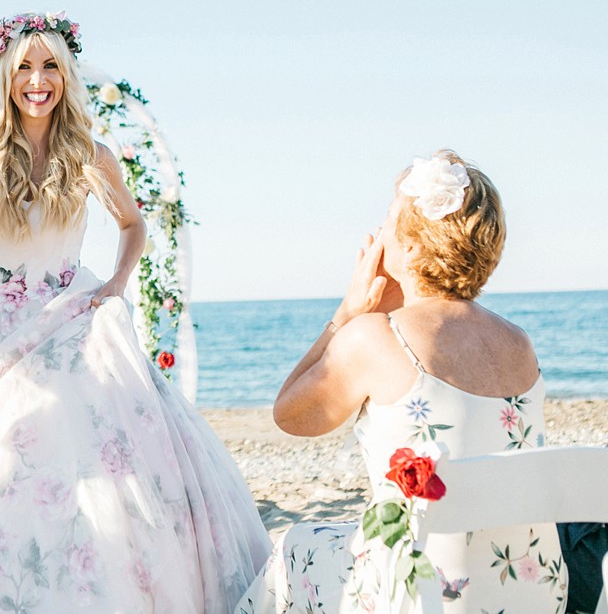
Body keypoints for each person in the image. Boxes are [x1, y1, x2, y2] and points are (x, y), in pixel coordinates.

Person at [0, 13, 271, 613]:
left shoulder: (90, 154)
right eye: (24, 67)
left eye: (50, 66)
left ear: (66, 75)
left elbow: (133, 226)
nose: (37, 79)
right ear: (6, 76)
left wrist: (114, 286)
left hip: (70, 320)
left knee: (88, 461)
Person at [235, 151, 566, 614]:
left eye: (389, 221)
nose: (378, 234)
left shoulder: (374, 337)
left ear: (410, 247)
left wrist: (346, 315)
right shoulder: (519, 344)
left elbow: (289, 415)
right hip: (532, 588)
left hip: (421, 593)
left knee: (297, 544)